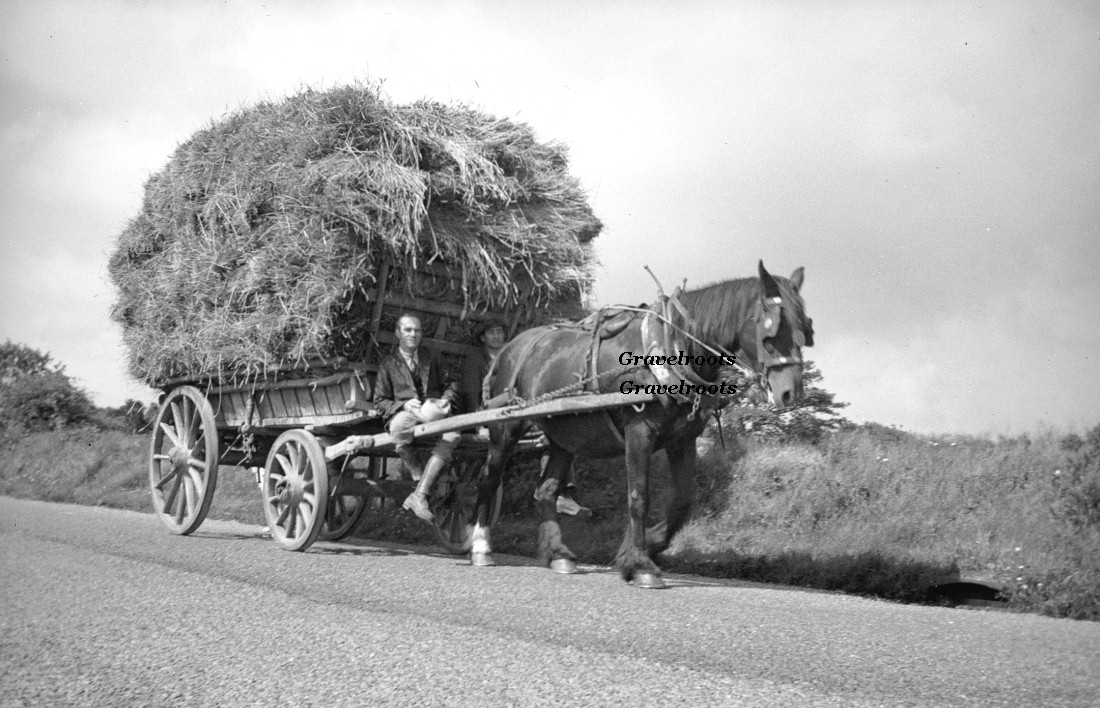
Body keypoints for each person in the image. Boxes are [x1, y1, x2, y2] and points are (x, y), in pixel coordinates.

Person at [461, 317, 591, 517]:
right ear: (483, 337)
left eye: (499, 332)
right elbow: (471, 391)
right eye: (491, 333)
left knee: (559, 435)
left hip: (520, 409)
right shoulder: (476, 359)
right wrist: (478, 423)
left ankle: (556, 491)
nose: (496, 336)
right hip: (490, 412)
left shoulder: (519, 354)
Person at [373, 313, 460, 522]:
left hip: (434, 413)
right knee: (399, 426)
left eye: (417, 331)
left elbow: (451, 384)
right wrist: (403, 405)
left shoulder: (433, 357)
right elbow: (380, 401)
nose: (413, 334)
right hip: (407, 415)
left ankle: (419, 494)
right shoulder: (388, 363)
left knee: (454, 434)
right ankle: (422, 483)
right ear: (398, 333)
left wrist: (446, 400)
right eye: (408, 330)